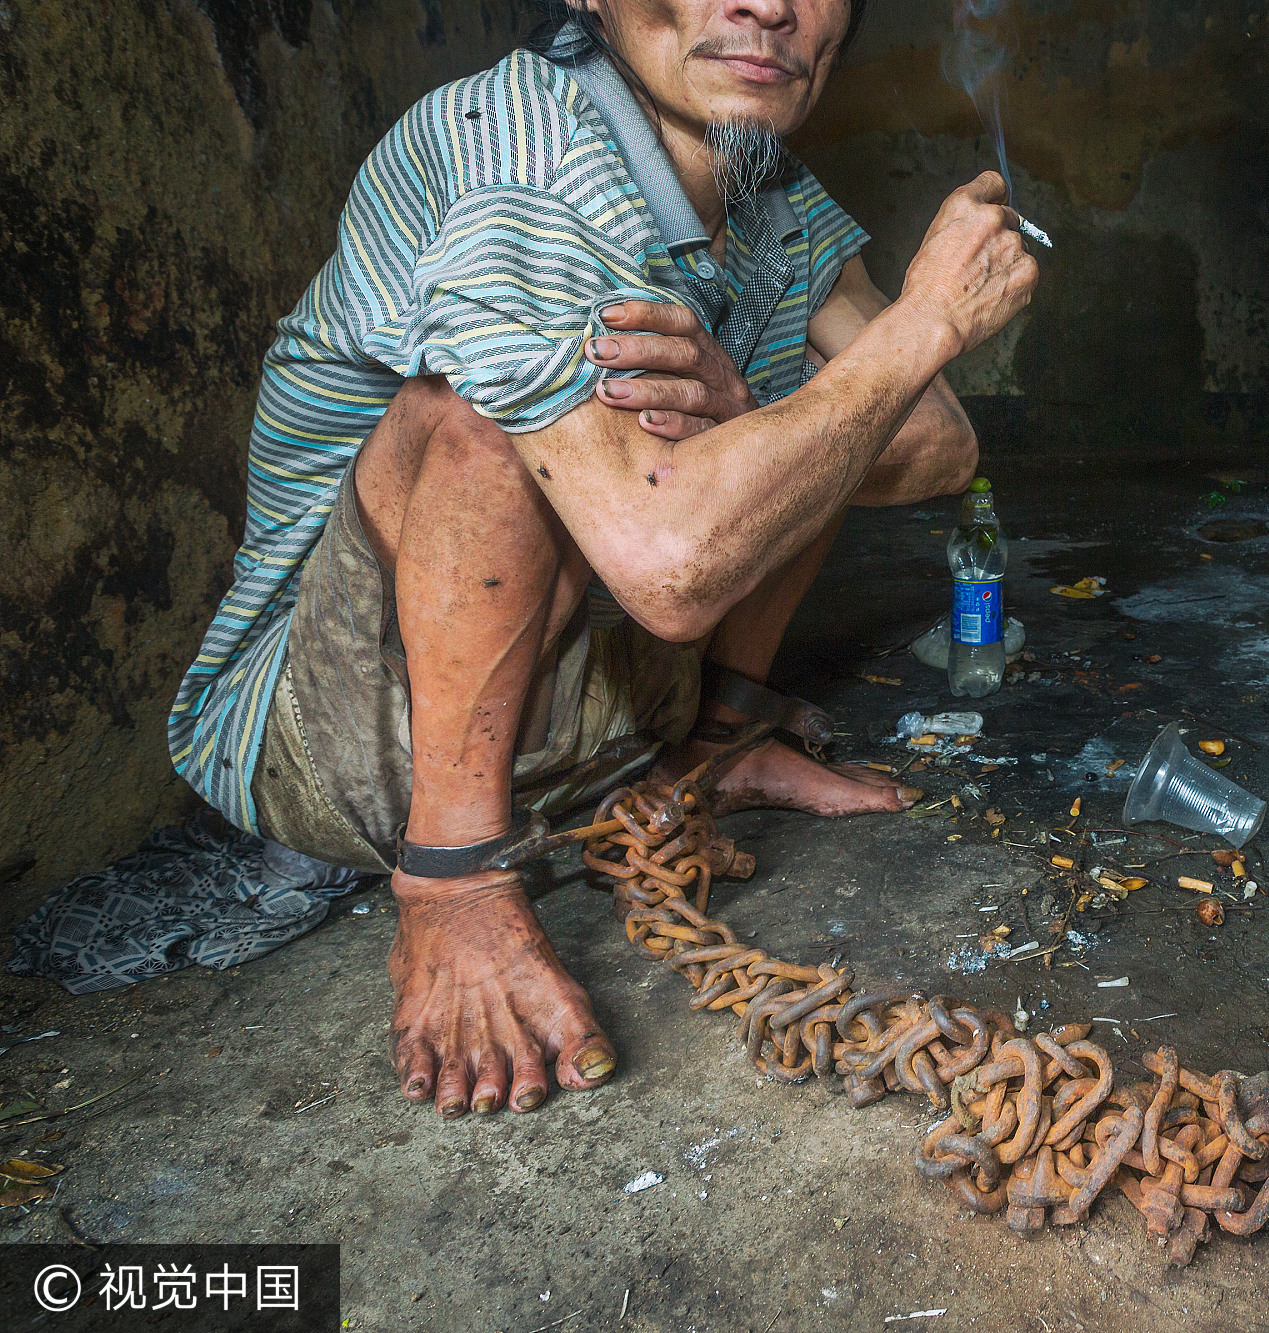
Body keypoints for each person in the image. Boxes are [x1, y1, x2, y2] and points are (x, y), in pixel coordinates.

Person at [166, 0, 1037, 1119]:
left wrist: (769, 411)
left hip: (596, 726)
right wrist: (924, 323)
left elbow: (939, 446)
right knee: (483, 420)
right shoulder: (514, 144)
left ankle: (713, 748)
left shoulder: (772, 193)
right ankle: (452, 881)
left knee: (822, 425)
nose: (765, 4)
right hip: (341, 741)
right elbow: (669, 567)